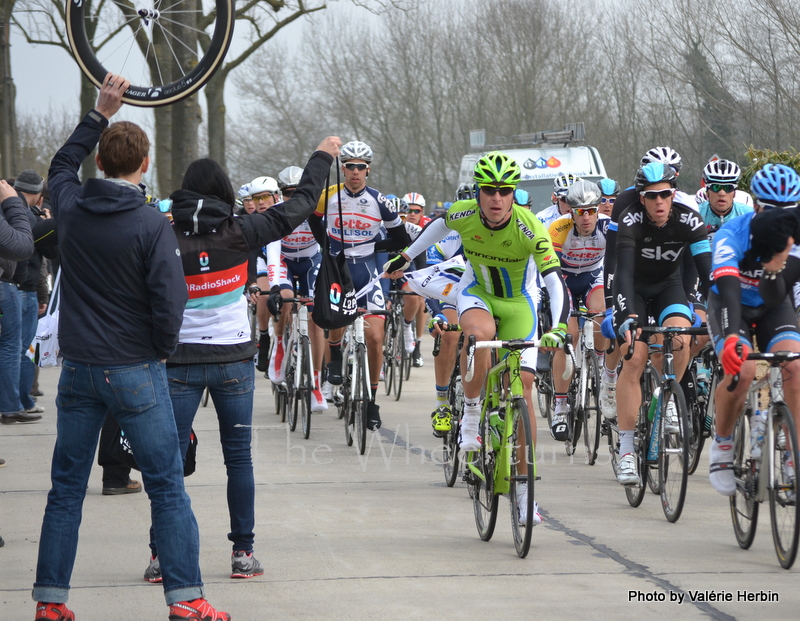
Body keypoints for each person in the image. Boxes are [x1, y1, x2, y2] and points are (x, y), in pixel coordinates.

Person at [33, 74, 230, 621]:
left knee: (66, 489)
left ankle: (51, 602)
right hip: (135, 367)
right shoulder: (149, 222)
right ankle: (186, 598)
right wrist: (161, 350)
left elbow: (57, 169)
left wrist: (98, 112)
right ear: (143, 165)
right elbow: (172, 301)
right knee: (166, 485)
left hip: (78, 369)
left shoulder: (69, 211)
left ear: (99, 163)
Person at [385, 151, 570, 526]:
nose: (497, 198)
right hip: (477, 293)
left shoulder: (529, 227)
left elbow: (553, 279)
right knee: (479, 335)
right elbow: (437, 225)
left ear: (513, 192)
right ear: (480, 192)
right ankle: (470, 418)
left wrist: (560, 327)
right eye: (490, 190)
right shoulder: (465, 213)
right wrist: (407, 255)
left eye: (504, 190)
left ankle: (523, 493)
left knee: (524, 389)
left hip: (518, 303)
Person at [612, 162, 712, 486]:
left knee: (681, 338)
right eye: (651, 196)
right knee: (635, 356)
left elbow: (707, 272)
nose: (659, 202)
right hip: (635, 291)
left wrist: (709, 308)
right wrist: (626, 315)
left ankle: (666, 396)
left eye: (665, 195)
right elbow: (623, 275)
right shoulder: (630, 221)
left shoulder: (689, 219)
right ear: (641, 198)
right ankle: (626, 449)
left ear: (673, 194)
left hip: (670, 286)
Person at [706, 164, 800, 496]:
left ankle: (793, 455)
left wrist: (776, 271)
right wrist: (732, 338)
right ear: (757, 207)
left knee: (795, 367)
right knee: (743, 371)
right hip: (732, 306)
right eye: (775, 212)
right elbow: (729, 289)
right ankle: (723, 445)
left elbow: (785, 295)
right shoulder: (732, 234)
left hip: (774, 306)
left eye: (790, 211)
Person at [309, 140, 410, 430]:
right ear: (343, 169)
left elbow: (401, 239)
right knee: (335, 314)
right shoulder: (328, 195)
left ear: (368, 170)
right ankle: (336, 353)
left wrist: (376, 244)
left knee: (376, 337)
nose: (355, 172)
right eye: (350, 166)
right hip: (338, 269)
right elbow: (314, 221)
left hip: (367, 270)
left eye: (360, 167)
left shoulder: (379, 200)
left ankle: (372, 400)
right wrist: (326, 246)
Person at [547, 180, 610, 441]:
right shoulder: (559, 227)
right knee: (568, 338)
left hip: (593, 276)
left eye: (592, 210)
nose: (586, 217)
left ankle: (603, 372)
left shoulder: (608, 225)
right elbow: (550, 269)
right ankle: (560, 405)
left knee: (601, 319)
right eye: (580, 211)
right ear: (570, 211)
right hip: (564, 279)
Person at [263, 165, 330, 411]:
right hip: (285, 261)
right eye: (288, 193)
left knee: (316, 318)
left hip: (312, 260)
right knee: (287, 298)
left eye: (298, 192)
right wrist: (274, 288)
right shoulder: (276, 212)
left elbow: (330, 245)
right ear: (281, 194)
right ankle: (279, 343)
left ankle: (315, 385)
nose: (294, 198)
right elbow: (272, 251)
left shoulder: (318, 211)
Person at [0, 179, 36, 425]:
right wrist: (13, 204)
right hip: (9, 286)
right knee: (12, 348)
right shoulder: (14, 205)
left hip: (14, 287)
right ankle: (12, 404)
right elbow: (22, 246)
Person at [402, 192, 430, 366]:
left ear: (422, 212)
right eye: (408, 210)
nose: (412, 214)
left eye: (416, 211)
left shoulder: (428, 226)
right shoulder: (398, 221)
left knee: (421, 301)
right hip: (400, 265)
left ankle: (417, 344)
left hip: (422, 261)